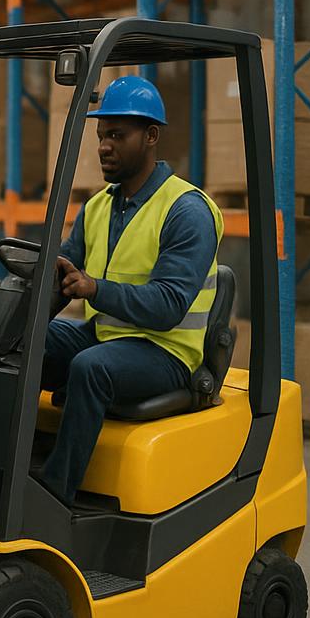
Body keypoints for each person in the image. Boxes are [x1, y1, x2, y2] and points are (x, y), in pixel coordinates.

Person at [41, 76, 222, 504]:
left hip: (168, 351)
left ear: (151, 136)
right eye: (102, 136)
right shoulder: (99, 206)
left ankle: (52, 495)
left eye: (118, 136)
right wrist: (25, 301)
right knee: (26, 345)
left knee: (91, 367)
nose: (105, 146)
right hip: (111, 335)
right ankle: (1, 471)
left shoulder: (186, 210)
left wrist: (94, 288)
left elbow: (169, 305)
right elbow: (65, 273)